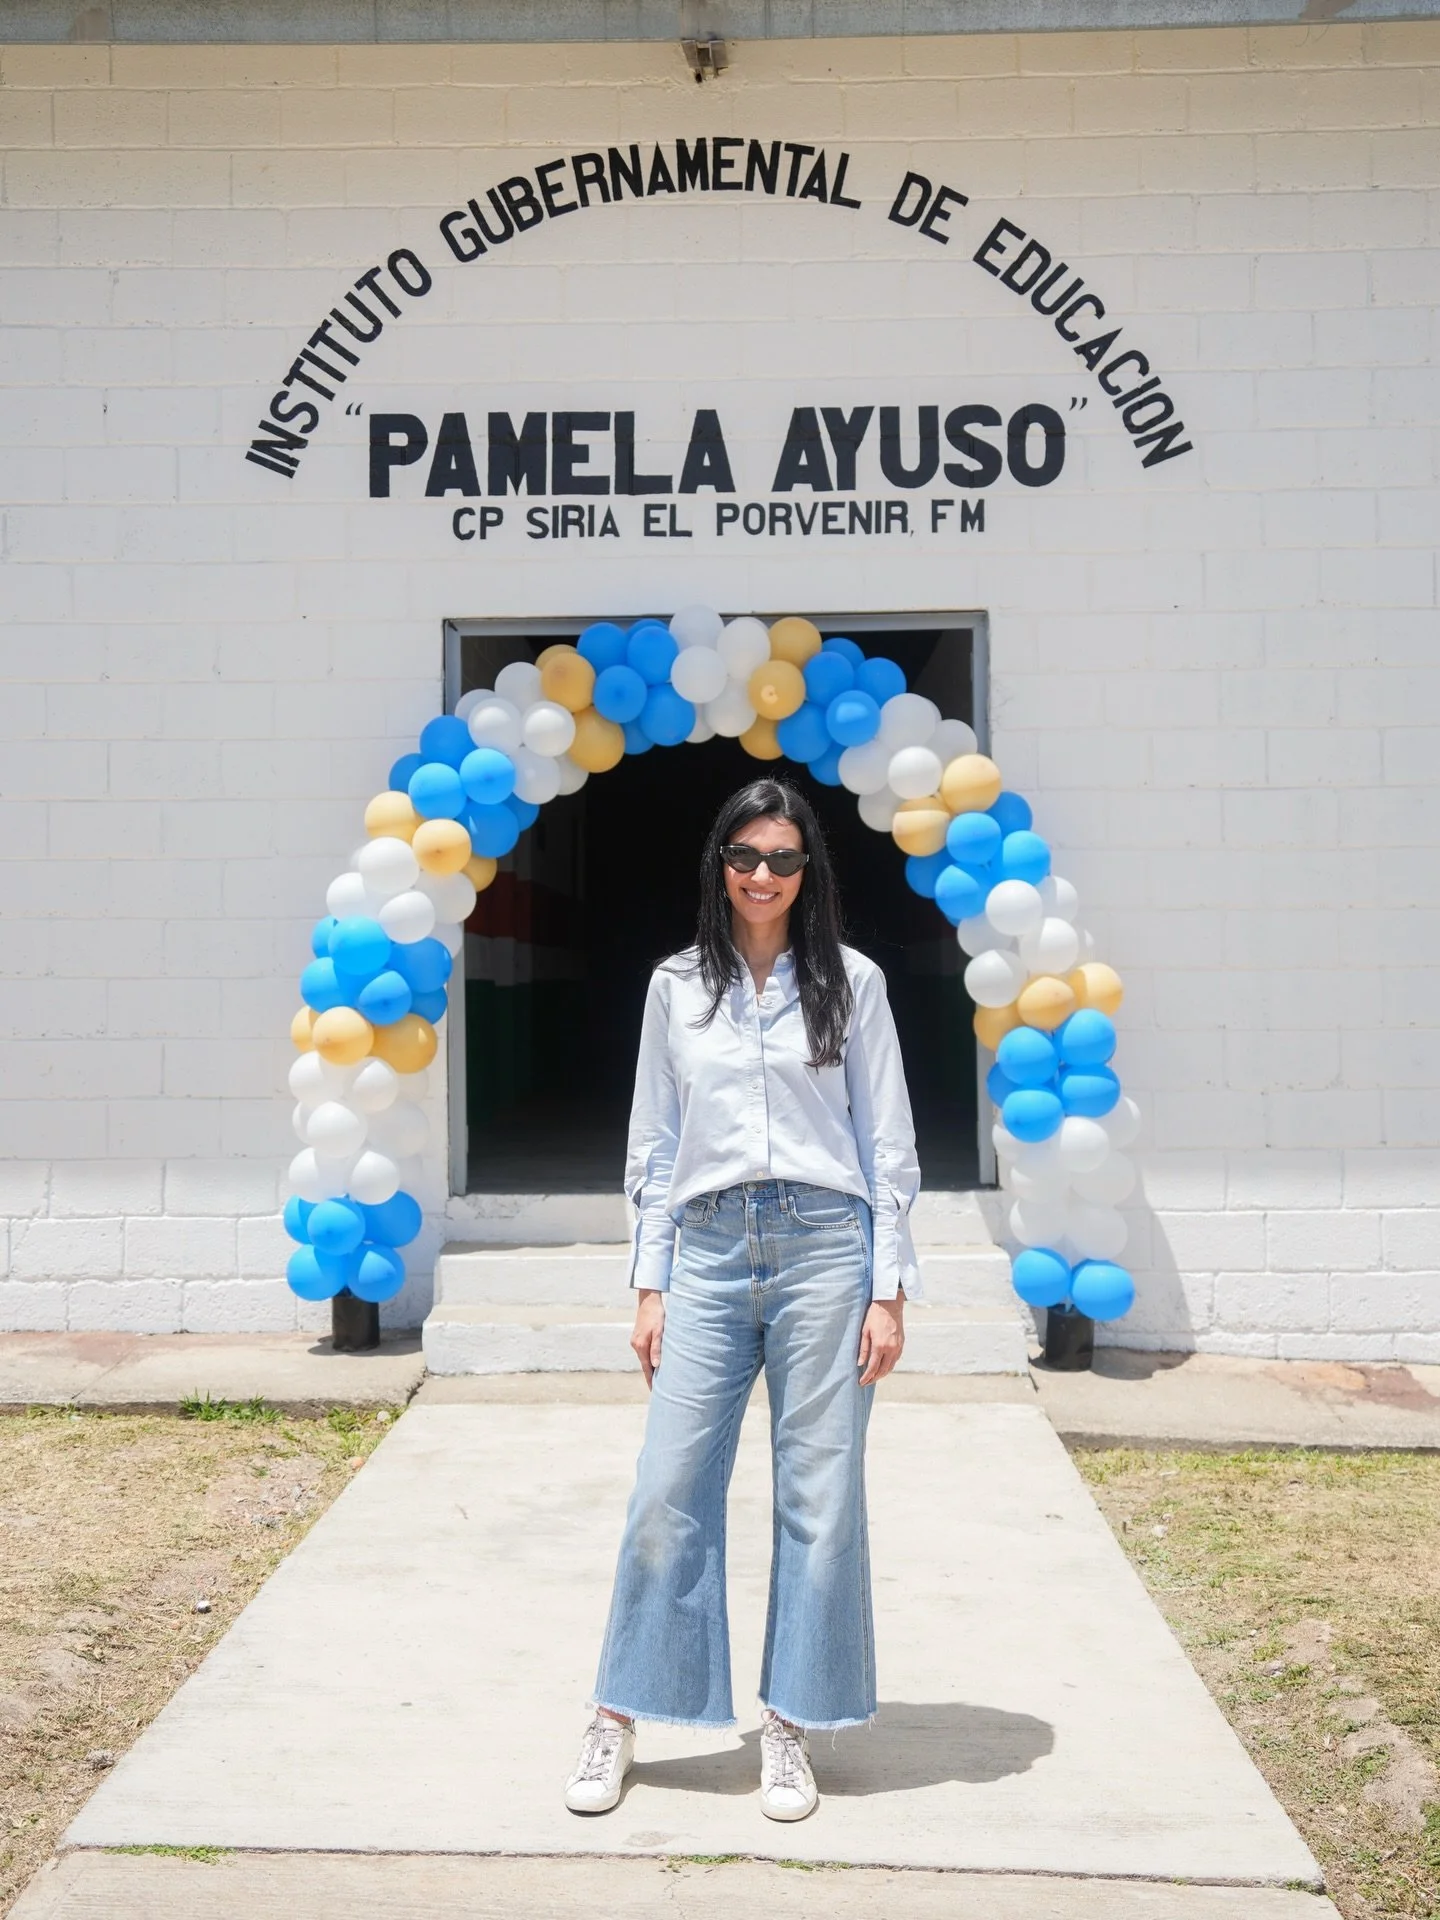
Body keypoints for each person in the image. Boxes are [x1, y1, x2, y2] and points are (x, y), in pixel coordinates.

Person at [564, 776, 921, 1823]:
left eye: (784, 859)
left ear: (810, 873)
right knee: (668, 1487)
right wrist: (651, 1281)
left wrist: (888, 1291)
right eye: (745, 856)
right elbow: (654, 1148)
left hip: (825, 1250)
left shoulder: (853, 982)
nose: (762, 876)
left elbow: (887, 1145)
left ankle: (788, 1726)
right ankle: (616, 1712)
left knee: (820, 1498)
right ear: (720, 864)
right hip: (712, 1251)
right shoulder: (676, 986)